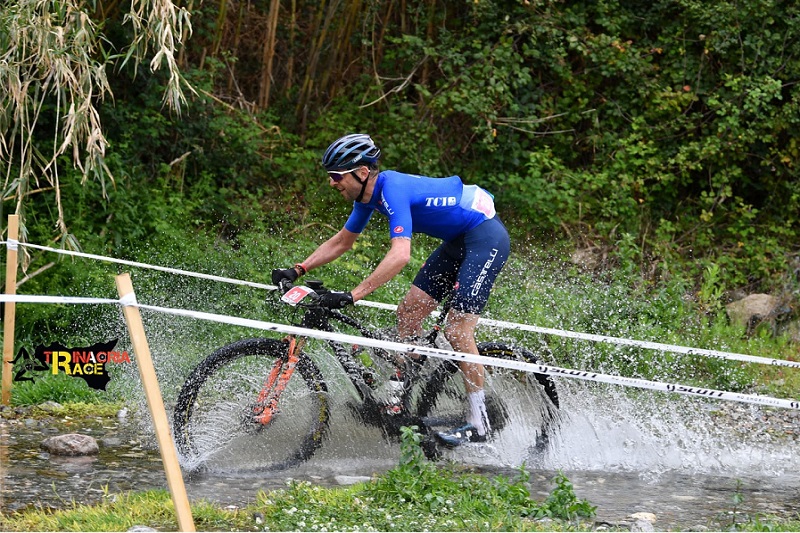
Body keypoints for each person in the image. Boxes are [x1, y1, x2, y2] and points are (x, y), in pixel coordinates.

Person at [271, 133, 510, 447]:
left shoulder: (392, 189)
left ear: (362, 172)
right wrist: (299, 269)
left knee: (457, 328)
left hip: (485, 237)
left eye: (336, 176)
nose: (331, 183)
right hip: (456, 242)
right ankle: (400, 395)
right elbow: (343, 241)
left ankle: (479, 422)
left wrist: (354, 294)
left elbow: (400, 254)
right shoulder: (366, 198)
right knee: (408, 313)